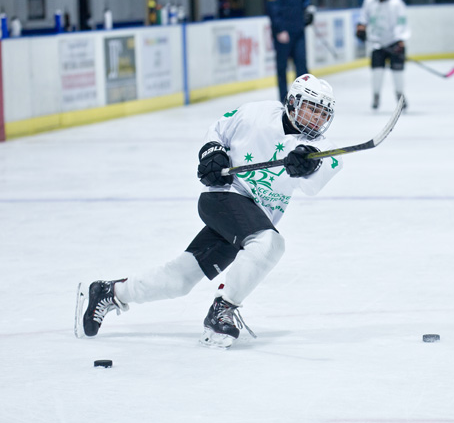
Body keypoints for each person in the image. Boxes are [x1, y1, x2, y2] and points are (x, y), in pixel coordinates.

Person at [77, 74, 342, 348]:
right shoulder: (257, 114)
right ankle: (223, 308)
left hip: (248, 219)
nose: (317, 119)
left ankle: (110, 292)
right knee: (270, 242)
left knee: (179, 280)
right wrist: (211, 152)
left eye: (323, 113)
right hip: (223, 197)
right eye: (312, 108)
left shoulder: (323, 149)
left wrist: (309, 163)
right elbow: (218, 130)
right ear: (292, 102)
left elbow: (314, 182)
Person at [356, 0, 411, 110]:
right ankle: (376, 96)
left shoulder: (396, 3)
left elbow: (402, 23)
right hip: (377, 43)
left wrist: (400, 41)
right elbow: (364, 16)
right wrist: (361, 27)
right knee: (377, 72)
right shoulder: (370, 0)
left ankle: (400, 96)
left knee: (397, 72)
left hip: (394, 43)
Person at [266, 0, 315, 103]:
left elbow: (302, 1)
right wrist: (280, 30)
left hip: (298, 31)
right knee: (282, 68)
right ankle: (283, 101)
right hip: (284, 33)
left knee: (302, 67)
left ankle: (303, 99)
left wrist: (308, 11)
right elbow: (273, 9)